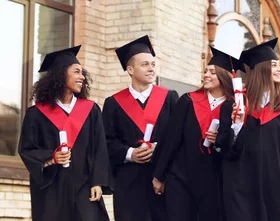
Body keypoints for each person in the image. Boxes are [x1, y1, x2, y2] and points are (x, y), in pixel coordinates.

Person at [220, 38, 280, 221]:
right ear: (262, 68)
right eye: (274, 65)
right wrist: (238, 123)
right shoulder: (234, 106)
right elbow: (225, 149)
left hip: (275, 185)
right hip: (241, 184)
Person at [19, 45, 112, 221]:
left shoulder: (91, 110)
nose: (82, 77)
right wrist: (51, 157)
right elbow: (27, 149)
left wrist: (98, 181)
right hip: (51, 188)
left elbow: (100, 148)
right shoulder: (36, 114)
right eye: (76, 72)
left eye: (82, 73)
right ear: (61, 74)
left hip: (84, 186)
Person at [152, 47, 237, 221]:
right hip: (181, 178)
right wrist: (159, 175)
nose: (206, 75)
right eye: (205, 71)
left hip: (214, 181)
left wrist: (221, 139)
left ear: (224, 76)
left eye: (212, 72)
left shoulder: (234, 108)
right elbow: (170, 139)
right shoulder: (188, 101)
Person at [102, 35, 178, 221]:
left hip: (163, 180)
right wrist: (130, 153)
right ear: (130, 69)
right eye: (144, 64)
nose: (151, 68)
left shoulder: (170, 98)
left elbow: (178, 136)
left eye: (153, 64)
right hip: (129, 184)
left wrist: (158, 148)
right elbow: (106, 142)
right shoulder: (113, 103)